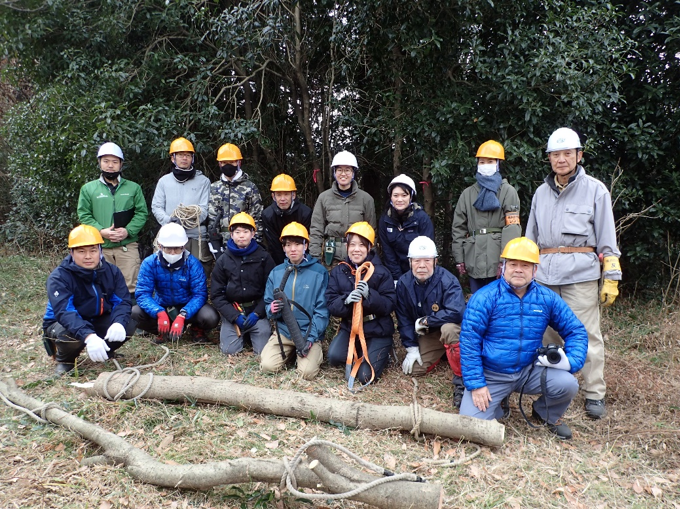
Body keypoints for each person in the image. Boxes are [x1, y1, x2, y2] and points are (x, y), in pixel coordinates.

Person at [526, 127, 622, 420]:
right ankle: (553, 387)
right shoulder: (541, 193)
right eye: (556, 154)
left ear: (579, 156)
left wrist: (611, 276)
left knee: (586, 334)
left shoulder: (596, 190)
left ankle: (594, 393)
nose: (561, 159)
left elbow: (607, 239)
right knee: (546, 336)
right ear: (549, 159)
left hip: (580, 275)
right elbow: (530, 239)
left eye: (568, 153)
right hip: (544, 276)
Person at [459, 237, 588, 439]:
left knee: (568, 384)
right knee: (470, 426)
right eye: (513, 264)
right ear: (503, 267)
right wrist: (477, 384)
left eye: (525, 265)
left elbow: (576, 330)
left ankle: (545, 413)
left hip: (529, 370)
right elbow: (469, 342)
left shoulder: (546, 298)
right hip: (492, 374)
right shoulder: (484, 297)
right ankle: (498, 402)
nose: (518, 269)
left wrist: (570, 361)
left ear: (535, 270)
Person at [42, 225, 135, 375]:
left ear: (100, 250)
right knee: (70, 335)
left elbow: (122, 301)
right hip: (60, 323)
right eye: (81, 251)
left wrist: (118, 322)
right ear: (72, 252)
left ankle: (104, 350)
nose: (88, 256)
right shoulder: (59, 277)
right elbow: (65, 313)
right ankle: (65, 361)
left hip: (95, 317)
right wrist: (89, 336)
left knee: (128, 324)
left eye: (93, 250)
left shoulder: (111, 271)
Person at [395, 236, 467, 407]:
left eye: (427, 260)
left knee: (448, 329)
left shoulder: (448, 280)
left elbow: (457, 313)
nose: (421, 266)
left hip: (452, 331)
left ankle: (461, 381)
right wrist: (411, 347)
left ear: (435, 261)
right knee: (415, 370)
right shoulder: (404, 283)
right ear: (410, 262)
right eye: (417, 261)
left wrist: (427, 320)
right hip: (430, 335)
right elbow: (403, 317)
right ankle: (445, 354)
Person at [326, 222, 395, 388]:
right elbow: (331, 302)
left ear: (370, 247)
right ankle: (362, 351)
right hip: (351, 328)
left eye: (361, 245)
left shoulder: (381, 272)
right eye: (352, 245)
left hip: (377, 328)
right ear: (347, 246)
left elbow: (389, 304)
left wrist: (370, 295)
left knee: (365, 376)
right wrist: (346, 300)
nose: (356, 249)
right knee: (334, 357)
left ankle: (383, 351)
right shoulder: (339, 271)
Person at [260, 222, 329, 380]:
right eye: (288, 244)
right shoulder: (276, 273)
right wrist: (272, 309)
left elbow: (322, 311)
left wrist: (311, 338)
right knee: (267, 367)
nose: (293, 249)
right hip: (283, 332)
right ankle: (290, 354)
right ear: (283, 248)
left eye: (298, 244)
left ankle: (308, 353)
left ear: (306, 245)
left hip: (307, 333)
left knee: (306, 373)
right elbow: (268, 305)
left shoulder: (319, 273)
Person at [77, 142, 148, 294]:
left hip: (127, 246)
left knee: (131, 286)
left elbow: (142, 213)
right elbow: (84, 214)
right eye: (106, 161)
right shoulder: (88, 189)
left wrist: (128, 231)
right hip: (100, 247)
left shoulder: (133, 188)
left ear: (121, 164)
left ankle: (130, 317)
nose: (110, 166)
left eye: (115, 162)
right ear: (99, 163)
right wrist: (100, 231)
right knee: (103, 286)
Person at [452, 140, 521, 293]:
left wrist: (506, 259)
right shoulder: (467, 194)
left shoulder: (508, 191)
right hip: (473, 256)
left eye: (490, 161)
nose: (486, 164)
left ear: (497, 163)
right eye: (482, 161)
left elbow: (512, 227)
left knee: (501, 302)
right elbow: (458, 228)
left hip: (498, 257)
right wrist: (459, 258)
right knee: (477, 301)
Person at [132, 223, 219, 344]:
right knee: (135, 312)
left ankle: (196, 329)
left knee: (210, 316)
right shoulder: (149, 263)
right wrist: (158, 312)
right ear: (160, 246)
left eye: (177, 248)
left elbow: (200, 294)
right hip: (162, 305)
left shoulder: (193, 263)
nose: (173, 253)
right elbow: (142, 294)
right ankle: (162, 331)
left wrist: (183, 314)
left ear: (183, 246)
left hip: (187, 305)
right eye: (168, 248)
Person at [210, 212, 276, 356]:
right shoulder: (223, 260)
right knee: (229, 351)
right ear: (231, 234)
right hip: (234, 311)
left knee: (263, 353)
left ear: (253, 233)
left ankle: (254, 332)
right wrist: (234, 316)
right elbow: (216, 295)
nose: (241, 236)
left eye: (246, 232)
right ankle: (240, 332)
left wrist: (258, 313)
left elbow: (271, 290)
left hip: (256, 312)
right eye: (237, 232)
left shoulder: (264, 257)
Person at [151, 137, 212, 275]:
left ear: (192, 158)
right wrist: (169, 221)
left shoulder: (203, 181)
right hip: (169, 235)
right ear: (173, 158)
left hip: (196, 236)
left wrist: (185, 221)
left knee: (198, 274)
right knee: (167, 274)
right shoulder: (164, 182)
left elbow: (204, 209)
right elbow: (156, 207)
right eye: (180, 155)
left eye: (188, 155)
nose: (184, 158)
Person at [309, 151, 377, 267]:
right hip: (330, 258)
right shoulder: (324, 198)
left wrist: (371, 258)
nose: (343, 174)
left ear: (353, 173)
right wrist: (315, 259)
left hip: (358, 258)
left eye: (347, 170)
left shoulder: (366, 199)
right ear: (334, 172)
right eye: (339, 170)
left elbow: (372, 231)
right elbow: (316, 230)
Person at [378, 174, 435, 284]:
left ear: (411, 196)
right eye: (396, 195)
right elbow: (388, 252)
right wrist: (397, 279)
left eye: (404, 195)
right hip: (394, 273)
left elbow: (427, 250)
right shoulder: (385, 220)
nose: (399, 199)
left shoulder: (422, 219)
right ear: (390, 197)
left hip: (419, 271)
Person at [208, 143, 264, 249]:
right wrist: (214, 244)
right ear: (219, 163)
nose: (228, 165)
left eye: (232, 162)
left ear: (239, 162)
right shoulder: (214, 188)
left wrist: (255, 243)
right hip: (222, 245)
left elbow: (257, 218)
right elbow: (212, 217)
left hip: (245, 243)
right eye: (224, 162)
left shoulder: (250, 187)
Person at [262, 174, 313, 265]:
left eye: (286, 194)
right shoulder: (268, 215)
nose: (282, 199)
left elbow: (307, 242)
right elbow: (273, 245)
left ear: (293, 195)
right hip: (278, 259)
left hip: (303, 257)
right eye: (279, 195)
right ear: (273, 196)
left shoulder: (305, 213)